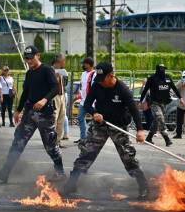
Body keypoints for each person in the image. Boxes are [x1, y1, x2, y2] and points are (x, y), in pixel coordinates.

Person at [63, 62, 149, 200]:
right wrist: (94, 113)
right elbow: (87, 104)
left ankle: (144, 187)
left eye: (103, 79)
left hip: (118, 126)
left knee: (128, 157)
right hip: (100, 124)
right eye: (99, 79)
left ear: (111, 76)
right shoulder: (97, 85)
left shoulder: (122, 89)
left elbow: (134, 110)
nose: (100, 82)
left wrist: (140, 130)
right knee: (87, 152)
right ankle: (71, 185)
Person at [0, 45, 65, 183]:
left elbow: (56, 88)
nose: (29, 61)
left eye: (31, 58)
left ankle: (60, 172)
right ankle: (5, 172)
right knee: (18, 141)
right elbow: (25, 93)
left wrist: (44, 100)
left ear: (38, 56)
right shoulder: (30, 73)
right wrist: (18, 110)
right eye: (27, 59)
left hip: (45, 113)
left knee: (50, 145)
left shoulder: (47, 70)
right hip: (30, 113)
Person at [140, 64, 184, 147]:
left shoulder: (167, 78)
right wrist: (141, 101)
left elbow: (174, 88)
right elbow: (145, 90)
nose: (162, 71)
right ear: (157, 70)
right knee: (160, 118)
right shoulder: (152, 78)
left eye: (164, 69)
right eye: (161, 69)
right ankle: (167, 138)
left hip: (164, 103)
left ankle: (149, 138)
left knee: (156, 121)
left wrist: (180, 98)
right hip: (154, 103)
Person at [74, 57, 95, 145]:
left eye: (84, 64)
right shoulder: (83, 74)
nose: (83, 65)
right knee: (80, 118)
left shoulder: (94, 74)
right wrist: (79, 95)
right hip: (83, 101)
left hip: (92, 102)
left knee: (96, 120)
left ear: (89, 64)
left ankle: (93, 138)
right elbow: (82, 86)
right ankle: (83, 138)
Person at [52, 54, 69, 148]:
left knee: (61, 119)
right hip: (54, 96)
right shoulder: (51, 70)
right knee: (54, 119)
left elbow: (65, 84)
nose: (64, 63)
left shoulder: (63, 71)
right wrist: (55, 76)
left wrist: (63, 76)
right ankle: (51, 141)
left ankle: (58, 141)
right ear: (59, 61)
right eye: (63, 61)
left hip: (62, 95)